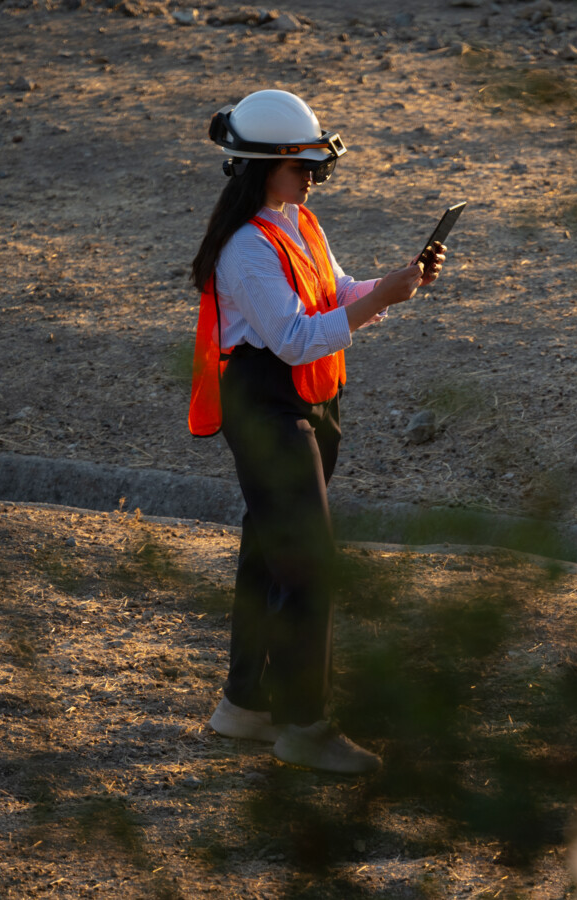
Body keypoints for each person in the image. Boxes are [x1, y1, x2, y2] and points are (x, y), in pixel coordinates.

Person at [187, 89, 446, 774]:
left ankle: (244, 707)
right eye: (303, 167)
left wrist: (392, 285)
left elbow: (333, 293)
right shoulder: (245, 249)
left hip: (307, 402)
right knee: (308, 562)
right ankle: (305, 725)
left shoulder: (298, 224)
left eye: (314, 168)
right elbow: (296, 338)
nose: (312, 178)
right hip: (268, 405)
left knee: (268, 552)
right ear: (262, 167)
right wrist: (380, 302)